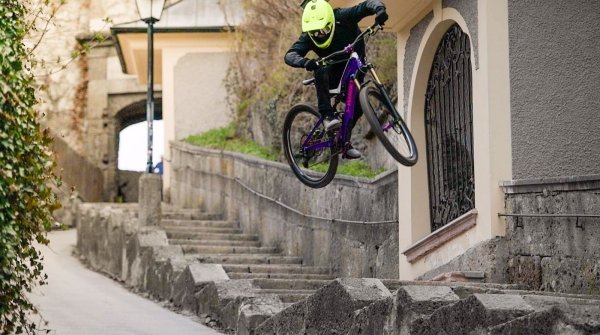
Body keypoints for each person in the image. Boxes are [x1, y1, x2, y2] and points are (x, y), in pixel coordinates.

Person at [284, 0, 388, 159]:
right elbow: (290, 55)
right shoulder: (308, 35)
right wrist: (307, 62)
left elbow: (368, 5)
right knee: (320, 67)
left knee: (359, 105)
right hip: (332, 75)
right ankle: (327, 116)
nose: (320, 34)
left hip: (355, 68)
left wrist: (380, 10)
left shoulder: (344, 16)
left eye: (323, 29)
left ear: (330, 20)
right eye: (315, 32)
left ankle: (344, 143)